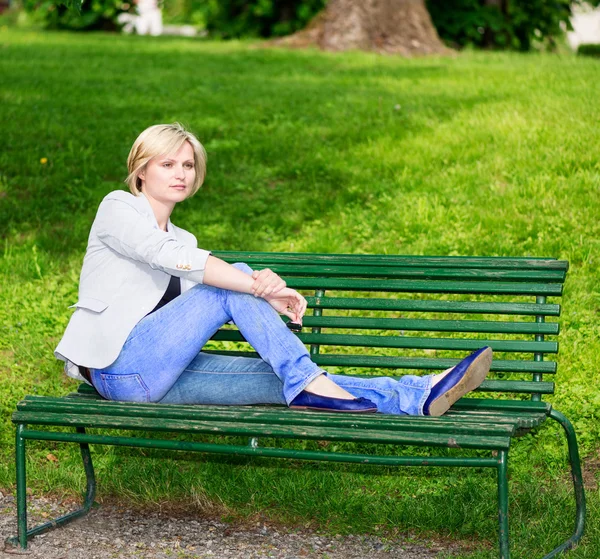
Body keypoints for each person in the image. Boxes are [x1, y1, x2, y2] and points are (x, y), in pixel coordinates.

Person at [55, 123, 492, 415]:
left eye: (188, 165)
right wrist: (259, 287)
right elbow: (168, 257)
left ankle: (417, 394)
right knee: (234, 282)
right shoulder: (117, 208)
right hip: (118, 370)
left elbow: (185, 282)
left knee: (279, 380)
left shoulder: (184, 238)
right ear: (140, 170)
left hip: (160, 377)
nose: (181, 173)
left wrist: (253, 292)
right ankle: (307, 380)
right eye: (167, 164)